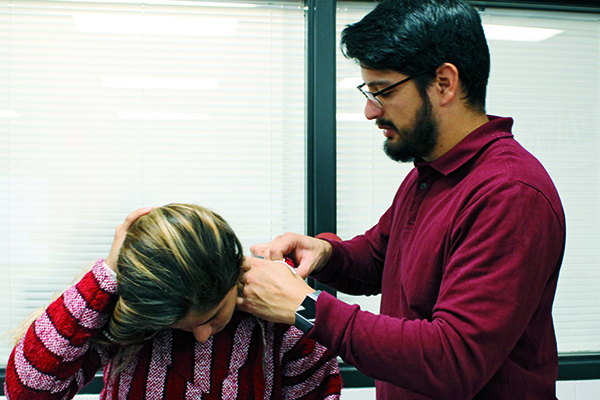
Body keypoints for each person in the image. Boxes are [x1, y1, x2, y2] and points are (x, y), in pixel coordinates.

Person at [236, 0, 566, 399]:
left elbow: (452, 360)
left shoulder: (509, 193)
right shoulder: (429, 174)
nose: (370, 111)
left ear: (444, 83)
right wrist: (325, 253)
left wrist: (305, 308)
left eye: (382, 91)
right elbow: (379, 258)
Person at [5, 203, 342, 400]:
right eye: (183, 325)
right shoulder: (129, 318)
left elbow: (318, 392)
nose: (202, 335)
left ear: (234, 275)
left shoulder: (277, 324)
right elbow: (31, 393)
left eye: (213, 316)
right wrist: (106, 276)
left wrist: (300, 307)